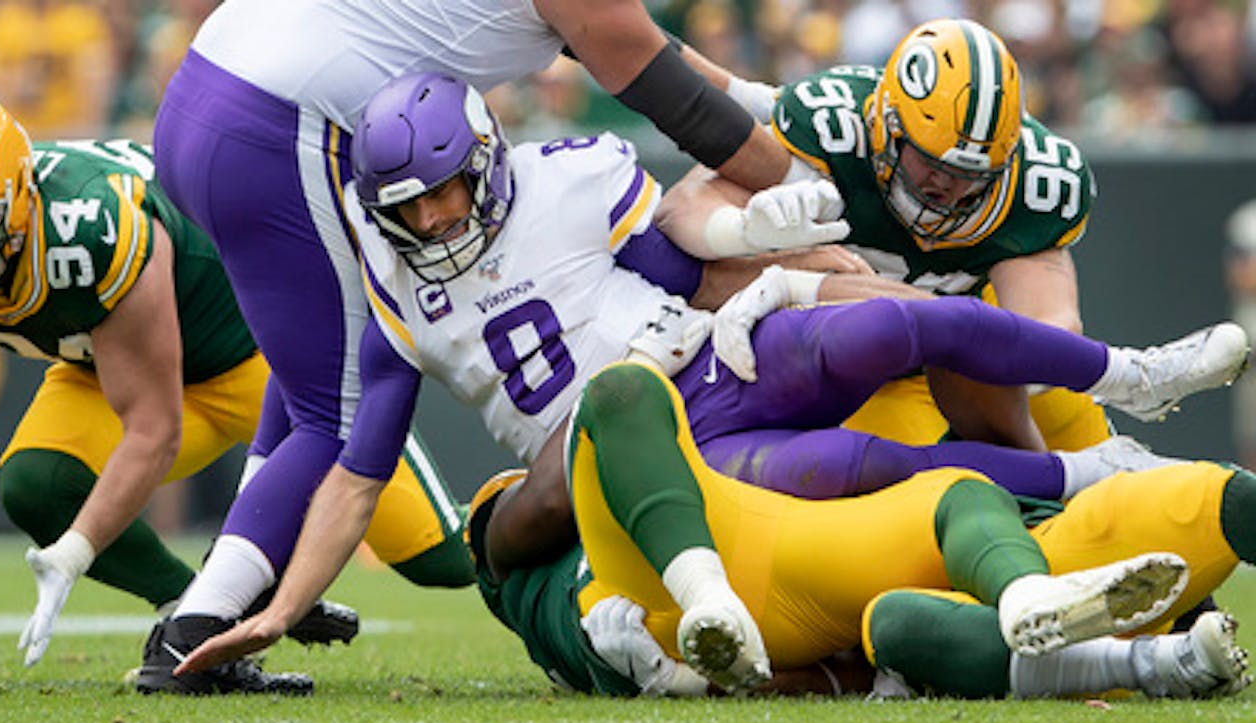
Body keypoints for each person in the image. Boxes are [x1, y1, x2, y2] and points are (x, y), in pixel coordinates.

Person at [165, 71, 1248, 688]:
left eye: (447, 194)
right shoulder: (395, 294)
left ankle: (1125, 382)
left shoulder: (568, 181)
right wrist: (279, 606)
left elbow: (688, 251)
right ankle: (1068, 505)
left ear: (486, 159)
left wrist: (768, 245)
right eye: (413, 208)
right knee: (864, 473)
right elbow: (357, 468)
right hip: (656, 454)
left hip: (714, 359)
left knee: (896, 322)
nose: (436, 222)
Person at [140, 0, 797, 687]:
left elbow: (625, 38)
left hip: (212, 96)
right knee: (335, 415)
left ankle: (238, 585)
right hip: (282, 120)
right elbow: (664, 88)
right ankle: (199, 629)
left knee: (314, 379)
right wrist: (799, 176)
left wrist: (760, 99)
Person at [0, 82, 472, 690]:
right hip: (115, 369)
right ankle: (201, 615)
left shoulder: (93, 222)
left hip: (261, 360)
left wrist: (77, 550)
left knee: (439, 557)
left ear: (14, 199)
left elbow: (153, 431)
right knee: (37, 486)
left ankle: (546, 518)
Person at [470, 361, 1251, 699]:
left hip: (804, 587)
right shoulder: (546, 573)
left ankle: (1134, 648)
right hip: (742, 564)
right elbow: (523, 526)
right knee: (958, 494)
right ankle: (1061, 609)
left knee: (906, 621)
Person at [656, 18, 1117, 454]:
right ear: (888, 126)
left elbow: (1049, 325)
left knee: (1102, 474)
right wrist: (741, 231)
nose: (948, 186)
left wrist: (1031, 364)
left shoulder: (1040, 186)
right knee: (909, 485)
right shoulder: (832, 126)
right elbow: (681, 210)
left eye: (969, 175)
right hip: (861, 373)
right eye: (932, 162)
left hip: (967, 365)